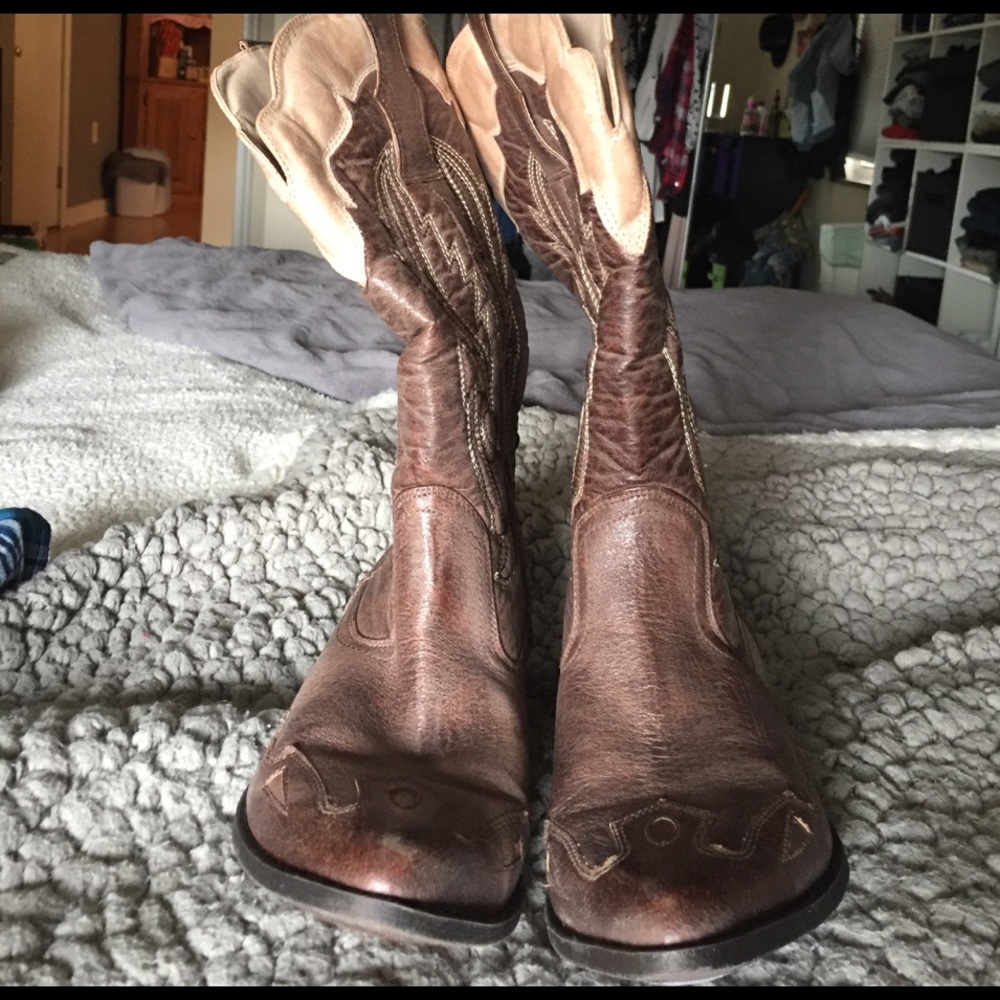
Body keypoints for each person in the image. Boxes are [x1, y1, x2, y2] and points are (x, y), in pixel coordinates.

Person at [211, 14, 847, 983]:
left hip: (647, 511)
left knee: (621, 276)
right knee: (437, 333)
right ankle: (469, 528)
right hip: (455, 490)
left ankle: (634, 553)